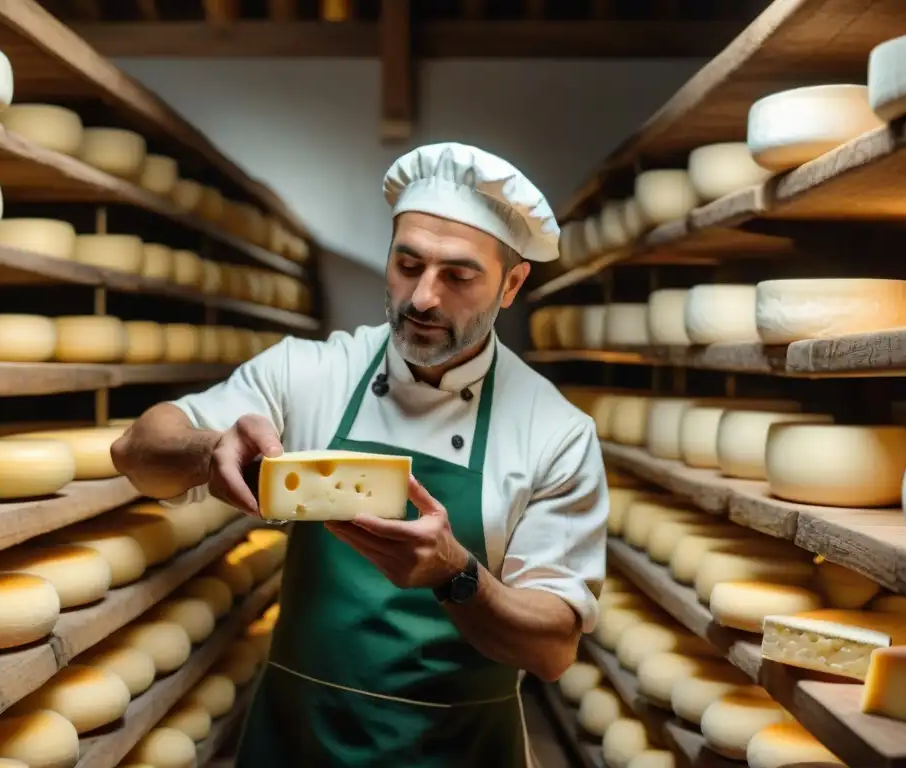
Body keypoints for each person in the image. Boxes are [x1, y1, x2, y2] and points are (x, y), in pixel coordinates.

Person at [111, 142, 609, 768]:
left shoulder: (555, 432)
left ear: (512, 284)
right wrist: (207, 447)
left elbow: (553, 647)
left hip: (460, 753)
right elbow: (135, 450)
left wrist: (454, 574)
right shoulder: (311, 372)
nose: (423, 297)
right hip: (295, 743)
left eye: (458, 275)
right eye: (408, 264)